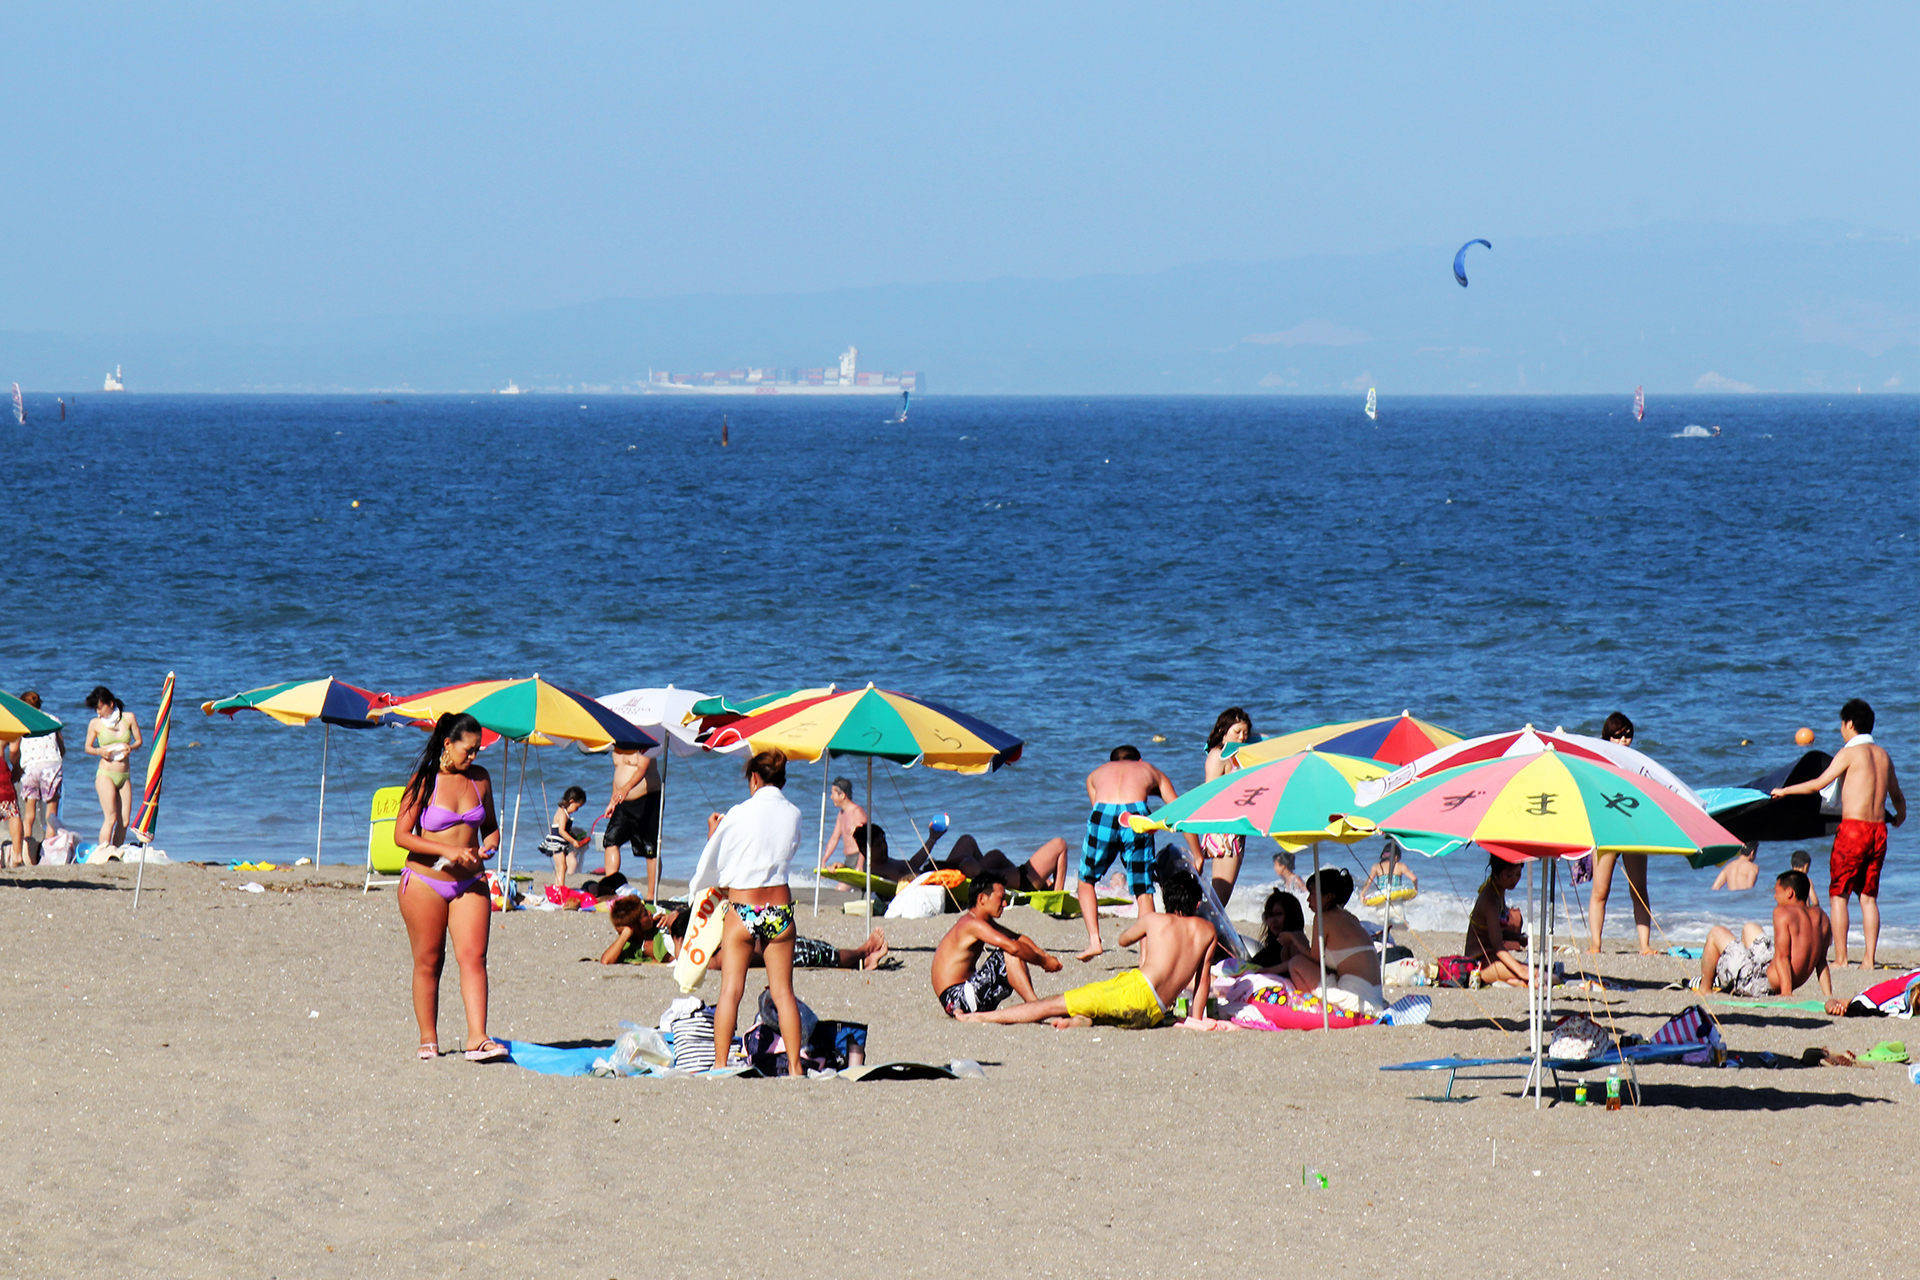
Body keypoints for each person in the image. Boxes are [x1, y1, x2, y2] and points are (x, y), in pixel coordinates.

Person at [957, 869, 1216, 1029]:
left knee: (1053, 1003)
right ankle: (1084, 1020)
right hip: (1156, 1011)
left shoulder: (1156, 920)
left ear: (1168, 900)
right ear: (1195, 904)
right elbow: (1202, 982)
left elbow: (1125, 940)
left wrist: (1142, 928)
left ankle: (983, 1018)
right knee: (1104, 1006)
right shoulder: (1207, 931)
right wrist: (1195, 1020)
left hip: (1137, 992)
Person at [391, 712, 506, 1062]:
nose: (472, 758)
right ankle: (428, 1037)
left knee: (474, 958)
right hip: (425, 882)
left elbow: (491, 827)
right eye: (467, 751)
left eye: (476, 751)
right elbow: (401, 836)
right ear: (447, 744)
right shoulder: (424, 782)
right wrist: (448, 850)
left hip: (470, 882)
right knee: (429, 961)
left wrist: (489, 846)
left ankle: (478, 1037)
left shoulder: (480, 780)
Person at [688, 749, 805, 1077]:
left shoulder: (739, 812)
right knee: (783, 992)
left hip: (744, 909)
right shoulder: (794, 813)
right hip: (780, 909)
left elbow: (715, 861)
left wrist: (699, 886)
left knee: (731, 990)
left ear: (754, 778)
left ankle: (722, 1063)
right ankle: (796, 1068)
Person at [1769, 699, 1905, 970]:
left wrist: (1785, 790)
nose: (1841, 730)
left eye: (1842, 725)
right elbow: (1897, 796)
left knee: (1839, 895)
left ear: (1850, 724)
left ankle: (1841, 958)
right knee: (1868, 898)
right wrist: (1900, 817)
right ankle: (1869, 960)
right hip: (1878, 831)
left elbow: (1819, 784)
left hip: (1853, 830)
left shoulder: (1849, 753)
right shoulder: (1883, 755)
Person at [1075, 745, 1199, 961]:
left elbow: (1099, 811)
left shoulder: (1095, 774)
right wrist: (1197, 854)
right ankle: (1145, 957)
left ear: (1111, 762)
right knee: (1143, 891)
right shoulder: (1151, 770)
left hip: (1103, 812)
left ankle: (1095, 941)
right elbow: (1180, 812)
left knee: (1086, 880)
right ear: (1140, 760)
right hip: (1135, 815)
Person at [601, 897, 889, 970]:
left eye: (645, 909)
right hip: (730, 952)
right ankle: (863, 953)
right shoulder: (642, 947)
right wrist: (626, 934)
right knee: (799, 952)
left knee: (804, 947)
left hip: (728, 942)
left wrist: (675, 916)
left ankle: (861, 959)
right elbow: (606, 961)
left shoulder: (656, 917)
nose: (648, 913)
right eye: (642, 916)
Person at [931, 875, 1061, 1016]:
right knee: (1009, 954)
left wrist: (1043, 955)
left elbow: (1017, 937)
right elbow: (1014, 947)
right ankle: (1035, 1006)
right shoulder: (971, 924)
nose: (1005, 904)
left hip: (960, 998)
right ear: (982, 899)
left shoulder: (981, 922)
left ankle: (1035, 1005)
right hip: (957, 997)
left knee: (1013, 947)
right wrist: (1043, 962)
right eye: (1001, 898)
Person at [1702, 870, 1833, 1000]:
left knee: (1716, 933)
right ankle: (1742, 971)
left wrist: (1786, 993)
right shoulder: (1822, 917)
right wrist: (1828, 996)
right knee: (1750, 928)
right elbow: (1821, 961)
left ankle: (1705, 989)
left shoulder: (1782, 913)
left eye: (1777, 892)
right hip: (1769, 971)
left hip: (1760, 984)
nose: (1774, 897)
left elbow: (1783, 957)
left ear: (1789, 893)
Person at [1586, 712, 1653, 955]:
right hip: (1606, 830)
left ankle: (1644, 945)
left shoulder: (1639, 765)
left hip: (1633, 830)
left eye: (1627, 736)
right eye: (1617, 736)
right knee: (1600, 890)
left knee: (1639, 888)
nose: (1624, 741)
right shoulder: (1599, 764)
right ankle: (1596, 944)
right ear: (1607, 738)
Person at [1286, 868, 1384, 1011]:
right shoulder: (1351, 918)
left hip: (1355, 1000)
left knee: (1296, 963)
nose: (1308, 899)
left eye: (1312, 893)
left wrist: (1294, 939)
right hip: (1376, 998)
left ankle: (1313, 1008)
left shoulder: (1322, 918)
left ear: (1328, 897)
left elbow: (1315, 958)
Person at [1197, 707, 1256, 903]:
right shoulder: (1218, 755)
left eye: (1245, 733)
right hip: (1224, 828)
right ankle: (1208, 930)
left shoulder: (1239, 755)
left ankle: (1209, 928)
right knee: (1220, 896)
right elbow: (1210, 794)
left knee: (1221, 893)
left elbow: (1265, 739)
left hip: (1235, 825)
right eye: (1237, 732)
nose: (1242, 737)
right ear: (1223, 731)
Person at [910, 820, 1070, 891]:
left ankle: (1046, 884)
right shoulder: (965, 866)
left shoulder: (961, 869)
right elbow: (984, 875)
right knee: (1060, 844)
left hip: (1016, 877)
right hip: (1025, 881)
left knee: (994, 855)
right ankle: (1056, 895)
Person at [81, 686, 142, 851]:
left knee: (125, 820)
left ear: (111, 703)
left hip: (124, 775)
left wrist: (131, 747)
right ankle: (103, 850)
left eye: (100, 707)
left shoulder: (128, 718)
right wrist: (100, 751)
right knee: (111, 817)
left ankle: (114, 851)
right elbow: (88, 747)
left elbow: (139, 741)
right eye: (96, 709)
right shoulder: (95, 723)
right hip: (105, 774)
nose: (98, 712)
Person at [601, 741, 663, 901]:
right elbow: (618, 772)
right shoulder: (617, 741)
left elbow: (642, 767)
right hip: (622, 801)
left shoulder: (642, 738)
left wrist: (626, 788)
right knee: (610, 841)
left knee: (650, 849)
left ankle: (651, 895)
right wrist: (612, 800)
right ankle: (611, 888)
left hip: (646, 798)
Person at [1467, 856, 1533, 986]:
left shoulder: (1498, 891)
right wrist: (1521, 971)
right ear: (1496, 873)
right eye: (1509, 875)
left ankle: (1508, 981)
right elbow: (1498, 946)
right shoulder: (1490, 900)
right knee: (1537, 976)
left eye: (1518, 874)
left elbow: (1496, 931)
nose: (1514, 880)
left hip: (1491, 958)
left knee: (1536, 976)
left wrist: (1517, 938)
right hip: (1479, 962)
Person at [16, 691, 64, 862]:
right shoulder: (53, 720)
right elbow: (61, 748)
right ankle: (48, 856)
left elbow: (15, 749)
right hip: (51, 766)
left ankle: (29, 857)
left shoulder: (20, 722)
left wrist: (16, 766)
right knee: (51, 814)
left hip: (30, 767)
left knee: (29, 814)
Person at [540, 786, 591, 893]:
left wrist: (575, 837)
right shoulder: (562, 813)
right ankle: (559, 889)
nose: (576, 810)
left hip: (560, 843)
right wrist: (573, 841)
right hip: (556, 843)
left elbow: (567, 831)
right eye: (577, 807)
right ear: (571, 801)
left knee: (562, 867)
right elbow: (562, 831)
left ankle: (558, 887)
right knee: (562, 866)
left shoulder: (565, 813)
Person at [1248, 888, 1307, 970]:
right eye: (1269, 915)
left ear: (1291, 915)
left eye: (1278, 914)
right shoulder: (1273, 946)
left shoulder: (1296, 942)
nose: (1273, 920)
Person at [821, 778, 870, 871]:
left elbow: (865, 839)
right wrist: (823, 861)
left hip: (860, 858)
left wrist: (860, 864)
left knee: (843, 886)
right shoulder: (841, 814)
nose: (831, 797)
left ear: (842, 795)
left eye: (833, 793)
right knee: (842, 886)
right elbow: (833, 839)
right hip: (849, 859)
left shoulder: (857, 812)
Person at [0, 736, 21, 868]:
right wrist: (16, 767)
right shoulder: (7, 723)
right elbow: (14, 749)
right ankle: (17, 854)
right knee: (12, 811)